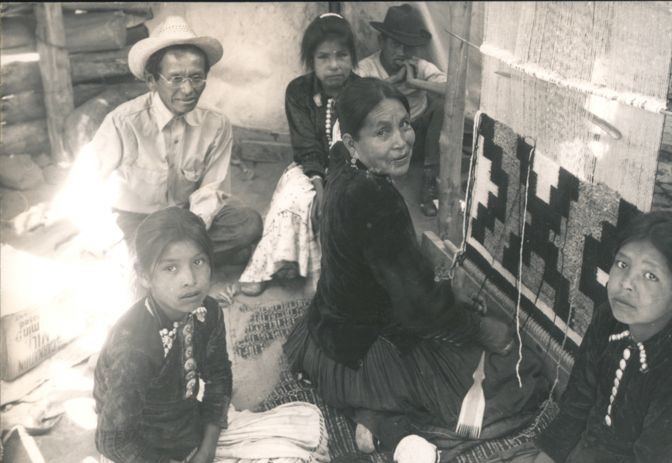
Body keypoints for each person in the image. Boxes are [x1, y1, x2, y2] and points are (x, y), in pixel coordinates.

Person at [284, 78, 549, 463]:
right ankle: (384, 416)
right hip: (365, 354)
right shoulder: (375, 198)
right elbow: (417, 310)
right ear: (354, 143)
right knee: (525, 375)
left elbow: (385, 272)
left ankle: (374, 413)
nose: (402, 141)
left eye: (404, 125)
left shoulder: (341, 169)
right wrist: (480, 329)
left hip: (327, 337)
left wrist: (442, 293)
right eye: (382, 132)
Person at [448, 211, 672, 463]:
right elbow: (577, 403)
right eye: (622, 264)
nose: (626, 284)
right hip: (580, 457)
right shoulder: (608, 319)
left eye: (650, 276)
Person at [93, 207, 329, 463]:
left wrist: (206, 452)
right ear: (143, 275)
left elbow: (219, 377)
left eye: (198, 262)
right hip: (142, 446)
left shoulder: (208, 311)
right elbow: (112, 440)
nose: (190, 280)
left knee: (297, 445)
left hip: (185, 424)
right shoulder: (133, 346)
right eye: (170, 268)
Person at [47, 16, 262, 267]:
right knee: (129, 260)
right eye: (176, 78)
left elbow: (209, 191)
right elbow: (83, 185)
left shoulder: (217, 125)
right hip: (135, 222)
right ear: (152, 81)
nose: (188, 89)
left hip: (185, 217)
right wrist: (105, 235)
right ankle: (185, 261)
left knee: (248, 223)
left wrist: (190, 233)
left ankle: (169, 263)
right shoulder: (123, 122)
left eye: (196, 77)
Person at [238, 13, 361, 296]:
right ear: (311, 61)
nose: (334, 65)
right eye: (323, 57)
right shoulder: (298, 91)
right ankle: (269, 265)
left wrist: (337, 184)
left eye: (342, 55)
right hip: (310, 167)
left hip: (355, 168)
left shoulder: (363, 91)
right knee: (291, 199)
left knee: (349, 207)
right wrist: (320, 186)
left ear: (352, 57)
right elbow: (306, 145)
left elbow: (362, 145)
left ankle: (328, 273)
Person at [355, 4, 447, 217]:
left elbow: (452, 89)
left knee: (441, 106)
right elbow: (355, 99)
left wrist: (417, 82)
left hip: (419, 135)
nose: (402, 53)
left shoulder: (419, 66)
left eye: (409, 47)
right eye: (396, 45)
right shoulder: (366, 67)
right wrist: (391, 83)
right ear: (382, 42)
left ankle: (429, 178)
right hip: (386, 136)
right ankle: (381, 179)